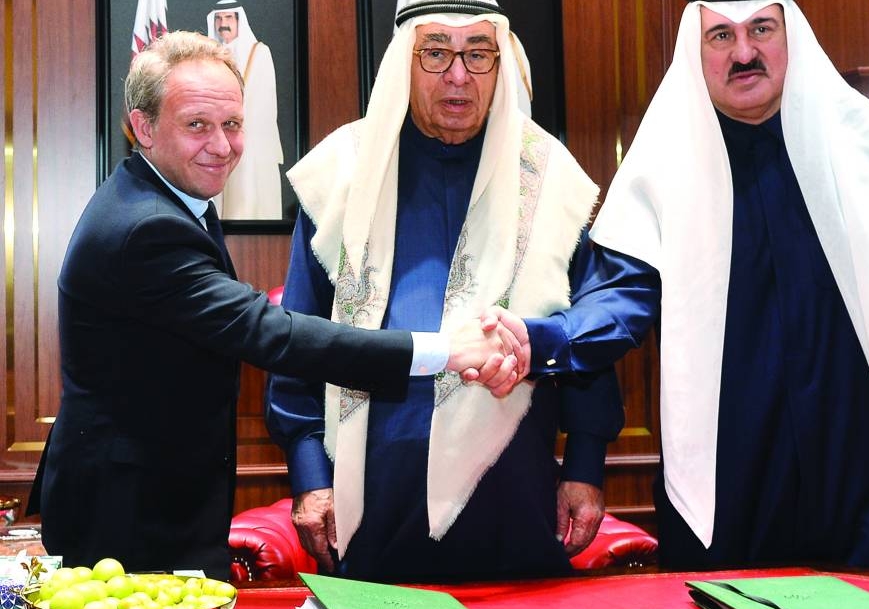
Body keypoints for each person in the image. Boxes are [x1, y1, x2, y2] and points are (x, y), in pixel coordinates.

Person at [497, 0, 869, 577]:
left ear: (792, 37)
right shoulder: (664, 169)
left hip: (867, 459)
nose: (744, 53)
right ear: (696, 55)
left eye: (761, 29)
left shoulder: (868, 149)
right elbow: (619, 297)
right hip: (730, 473)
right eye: (721, 36)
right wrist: (545, 340)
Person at [28, 31, 518, 580]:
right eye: (197, 125)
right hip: (127, 510)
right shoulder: (147, 227)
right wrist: (445, 350)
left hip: (144, 490)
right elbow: (270, 333)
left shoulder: (162, 197)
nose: (222, 146)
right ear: (143, 127)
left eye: (233, 124)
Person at [264, 0, 624, 583]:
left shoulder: (549, 176)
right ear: (404, 64)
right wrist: (308, 475)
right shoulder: (343, 173)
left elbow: (584, 332)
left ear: (500, 65)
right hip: (368, 492)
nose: (458, 75)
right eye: (435, 53)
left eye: (478, 54)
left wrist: (585, 465)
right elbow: (296, 339)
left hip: (512, 486)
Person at [207, 0, 284, 219]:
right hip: (218, 140)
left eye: (228, 18)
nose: (223, 24)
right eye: (219, 18)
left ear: (239, 20)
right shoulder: (209, 58)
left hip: (251, 141)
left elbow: (264, 103)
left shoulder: (259, 53)